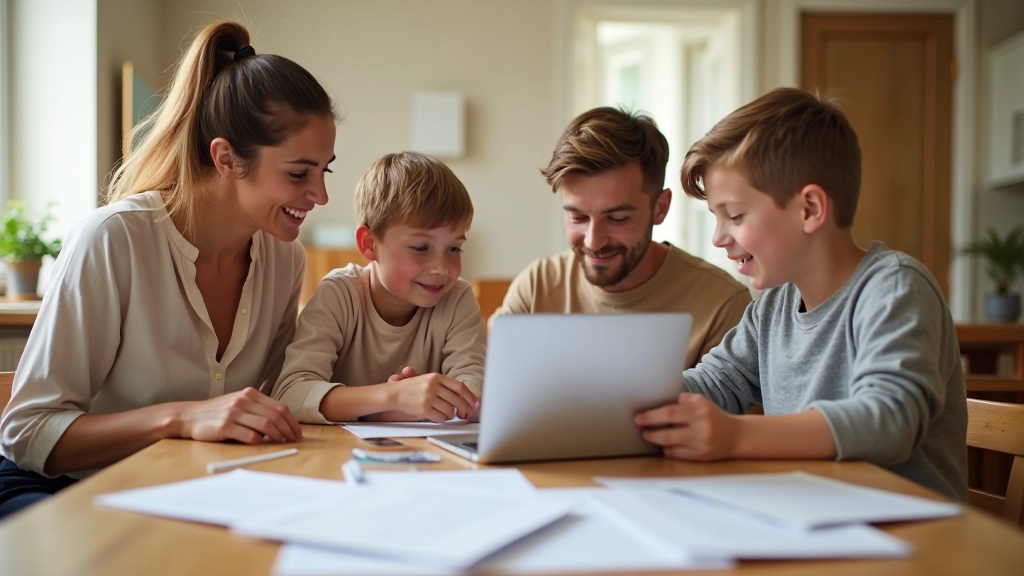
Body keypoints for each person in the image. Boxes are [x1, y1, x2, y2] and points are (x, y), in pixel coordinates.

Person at [0, 20, 337, 519]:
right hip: (58, 490)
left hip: (180, 493)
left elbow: (277, 396)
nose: (320, 195)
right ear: (226, 159)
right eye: (298, 173)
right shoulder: (113, 239)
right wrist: (182, 418)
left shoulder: (285, 259)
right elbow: (27, 432)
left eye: (324, 170)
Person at [634, 88, 968, 502]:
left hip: (911, 529)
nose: (719, 237)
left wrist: (736, 436)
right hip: (813, 513)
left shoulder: (894, 288)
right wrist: (618, 397)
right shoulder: (772, 308)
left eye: (734, 216)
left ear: (809, 208)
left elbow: (889, 420)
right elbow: (714, 384)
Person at [493, 107, 750, 368]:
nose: (593, 242)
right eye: (578, 217)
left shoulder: (722, 305)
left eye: (617, 218)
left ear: (660, 208)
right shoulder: (537, 287)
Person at [272, 152, 484, 424]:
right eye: (421, 247)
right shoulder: (338, 294)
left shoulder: (457, 299)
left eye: (454, 248)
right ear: (369, 244)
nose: (442, 268)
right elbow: (291, 394)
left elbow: (475, 390)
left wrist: (425, 400)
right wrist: (392, 398)